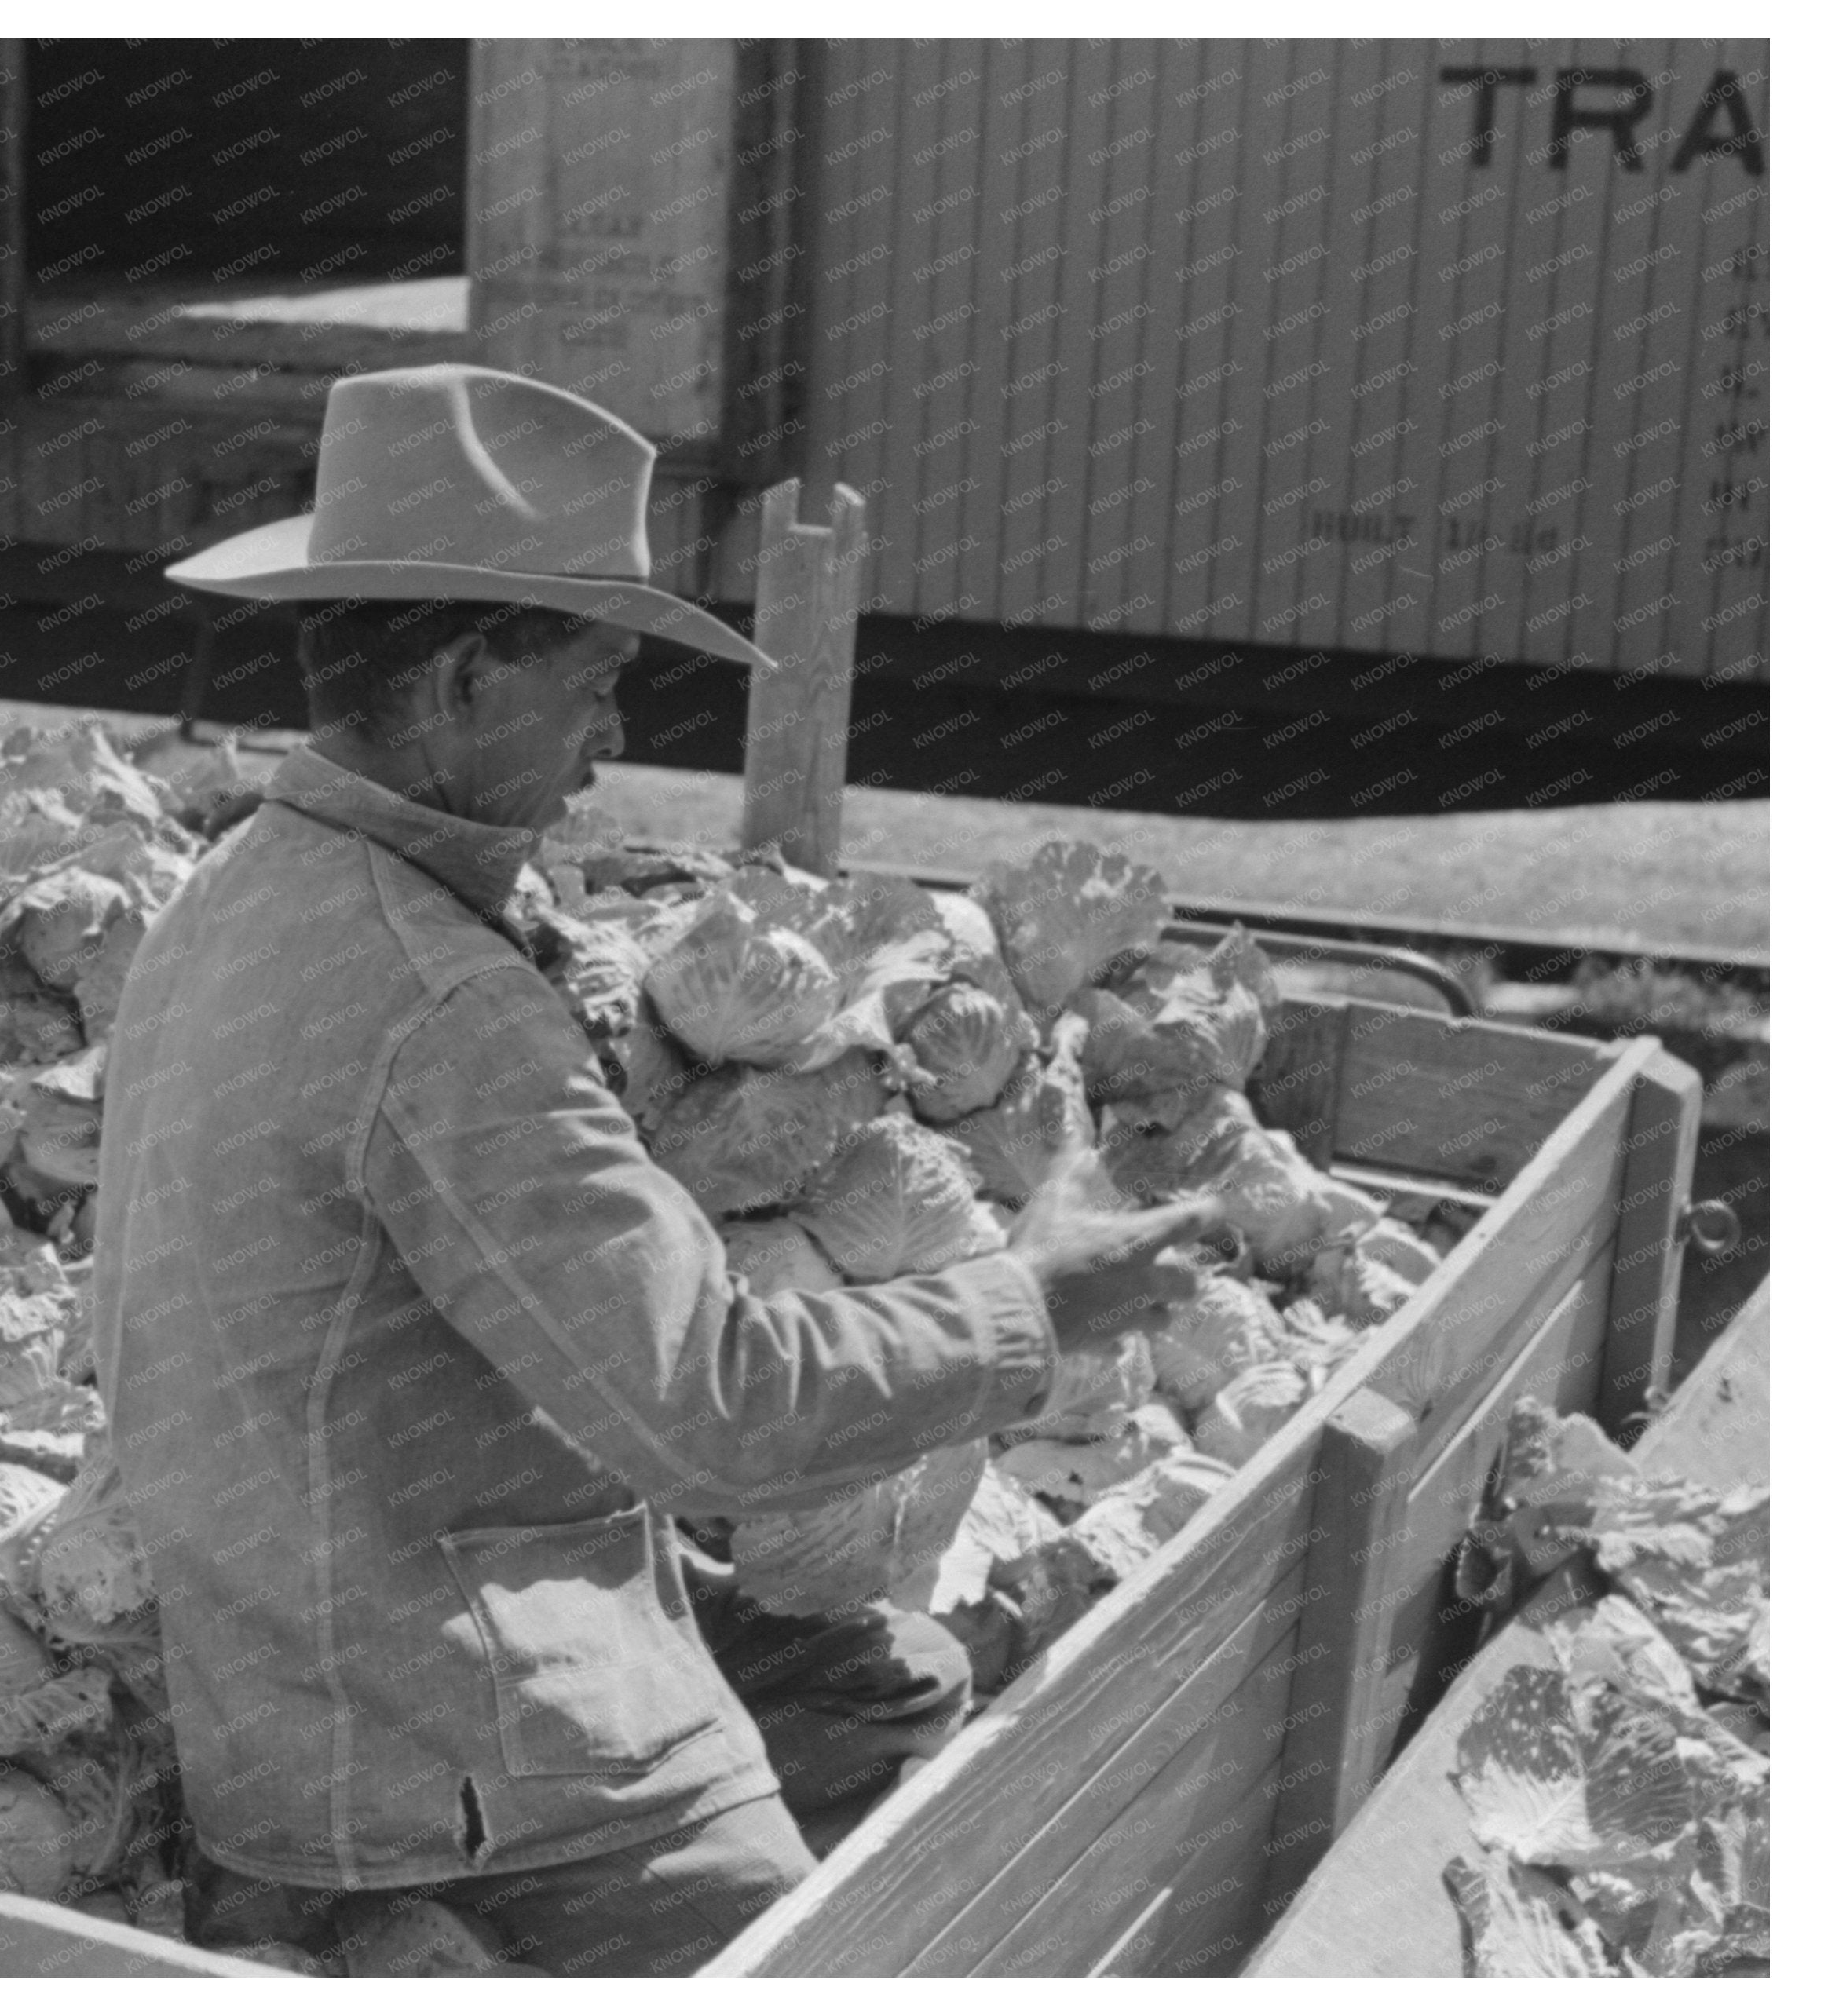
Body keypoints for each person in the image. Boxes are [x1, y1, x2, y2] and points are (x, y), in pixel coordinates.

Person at [86, 363, 1222, 1975]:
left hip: (325, 1646)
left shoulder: (244, 889)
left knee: (884, 1677)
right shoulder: (438, 1004)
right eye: (598, 680)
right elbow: (719, 1405)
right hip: (453, 1753)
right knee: (869, 1934)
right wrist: (1034, 1301)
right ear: (471, 678)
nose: (614, 739)